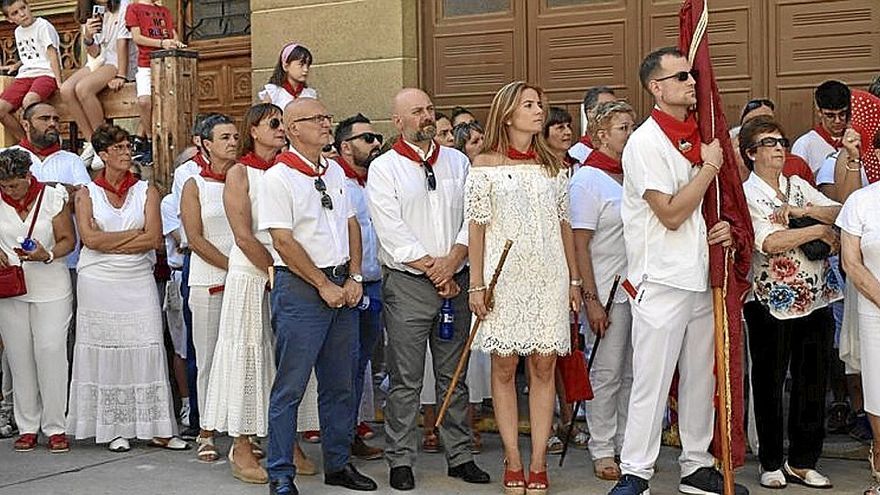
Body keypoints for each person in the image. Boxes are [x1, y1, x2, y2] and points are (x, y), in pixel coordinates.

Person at [608, 47, 746, 495]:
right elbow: (669, 212)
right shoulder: (646, 142)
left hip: (700, 274)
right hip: (659, 278)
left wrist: (724, 226)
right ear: (656, 86)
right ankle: (636, 472)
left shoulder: (699, 134)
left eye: (693, 75)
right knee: (651, 379)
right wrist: (709, 167)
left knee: (699, 379)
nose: (693, 82)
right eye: (682, 76)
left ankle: (695, 464)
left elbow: (707, 209)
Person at [367, 88, 489, 491]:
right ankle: (401, 458)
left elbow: (473, 216)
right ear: (397, 121)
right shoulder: (384, 168)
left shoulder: (456, 161)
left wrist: (454, 260)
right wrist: (435, 270)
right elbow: (391, 229)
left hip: (456, 277)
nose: (426, 117)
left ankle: (460, 455)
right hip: (409, 284)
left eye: (430, 110)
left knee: (455, 373)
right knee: (406, 378)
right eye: (416, 112)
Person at [466, 81, 582, 495]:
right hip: (504, 278)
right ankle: (512, 458)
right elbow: (476, 228)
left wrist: (573, 278)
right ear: (508, 114)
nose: (538, 111)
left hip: (549, 275)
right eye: (528, 105)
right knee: (503, 366)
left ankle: (538, 461)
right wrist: (475, 284)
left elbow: (565, 225)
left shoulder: (555, 165)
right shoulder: (483, 164)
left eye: (540, 104)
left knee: (545, 365)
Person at [260, 98, 377, 495]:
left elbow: (351, 225)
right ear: (293, 129)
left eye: (328, 116)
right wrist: (323, 284)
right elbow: (283, 240)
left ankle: (339, 464)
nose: (327, 124)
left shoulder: (334, 173)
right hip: (302, 288)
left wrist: (355, 275)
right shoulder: (278, 177)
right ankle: (279, 472)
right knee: (290, 385)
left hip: (342, 284)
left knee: (341, 383)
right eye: (317, 119)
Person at [67, 124, 186, 452]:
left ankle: (158, 428)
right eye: (117, 148)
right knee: (106, 349)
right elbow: (88, 240)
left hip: (137, 277)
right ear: (103, 155)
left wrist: (110, 241)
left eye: (126, 146)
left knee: (147, 344)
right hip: (98, 281)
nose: (125, 153)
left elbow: (154, 238)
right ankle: (113, 428)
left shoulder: (147, 190)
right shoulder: (85, 193)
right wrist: (130, 238)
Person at [740, 115, 841, 489]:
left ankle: (803, 460)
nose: (779, 147)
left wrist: (802, 214)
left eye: (781, 140)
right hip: (770, 301)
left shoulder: (797, 185)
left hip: (816, 297)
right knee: (768, 381)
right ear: (751, 153)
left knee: (812, 379)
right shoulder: (747, 194)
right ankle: (770, 460)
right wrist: (817, 231)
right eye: (768, 142)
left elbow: (839, 210)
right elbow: (767, 242)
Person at [200, 103, 284, 484]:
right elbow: (242, 233)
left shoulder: (287, 168)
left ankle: (285, 439)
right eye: (274, 124)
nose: (281, 129)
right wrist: (270, 269)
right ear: (255, 130)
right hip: (252, 270)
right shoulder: (240, 172)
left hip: (287, 267)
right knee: (247, 353)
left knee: (285, 357)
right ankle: (242, 443)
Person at [570, 100, 637, 480]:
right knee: (608, 371)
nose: (630, 134)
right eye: (623, 128)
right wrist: (592, 301)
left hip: (638, 289)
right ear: (600, 135)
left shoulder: (633, 175)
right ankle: (602, 447)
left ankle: (630, 444)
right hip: (606, 291)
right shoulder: (587, 179)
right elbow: (580, 245)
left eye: (631, 126)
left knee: (634, 372)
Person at [0, 148, 74, 453]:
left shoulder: (52, 197)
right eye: (3, 186)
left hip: (51, 283)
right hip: (10, 288)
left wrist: (49, 254)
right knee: (19, 356)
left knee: (51, 351)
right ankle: (27, 425)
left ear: (28, 176)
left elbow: (68, 239)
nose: (8, 190)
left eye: (14, 185)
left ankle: (56, 426)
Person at [180, 114, 237, 463]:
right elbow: (195, 238)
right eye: (224, 137)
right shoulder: (194, 184)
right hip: (209, 279)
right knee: (209, 357)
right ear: (206, 144)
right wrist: (233, 268)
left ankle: (243, 430)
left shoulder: (246, 178)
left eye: (234, 136)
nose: (232, 142)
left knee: (246, 354)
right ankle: (207, 431)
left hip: (245, 280)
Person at [332, 112, 386, 461]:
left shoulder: (379, 179)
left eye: (377, 137)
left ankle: (351, 433)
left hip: (377, 282)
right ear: (346, 146)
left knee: (363, 361)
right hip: (347, 285)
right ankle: (337, 439)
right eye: (368, 139)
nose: (376, 143)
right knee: (343, 365)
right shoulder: (335, 179)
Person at [837, 127, 880, 495]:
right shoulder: (861, 202)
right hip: (873, 307)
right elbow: (851, 262)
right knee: (879, 387)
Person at [62, 0, 135, 170]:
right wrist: (88, 36)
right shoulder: (94, 12)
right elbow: (96, 52)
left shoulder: (124, 5)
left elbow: (122, 43)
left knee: (83, 89)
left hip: (120, 61)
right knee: (66, 89)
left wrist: (121, 75)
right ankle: (92, 143)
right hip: (103, 60)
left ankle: (104, 142)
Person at [124, 0, 185, 164]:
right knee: (145, 101)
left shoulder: (164, 10)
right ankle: (149, 140)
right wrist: (161, 43)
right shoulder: (134, 8)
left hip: (167, 63)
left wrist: (175, 43)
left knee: (165, 103)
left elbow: (172, 33)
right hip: (146, 63)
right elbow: (137, 37)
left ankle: (151, 141)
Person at [0, 0, 62, 141]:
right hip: (25, 75)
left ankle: (46, 140)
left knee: (29, 101)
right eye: (15, 13)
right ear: (10, 19)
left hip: (46, 73)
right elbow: (34, 52)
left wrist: (59, 81)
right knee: (1, 108)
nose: (22, 14)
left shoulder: (43, 26)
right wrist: (16, 65)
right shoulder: (18, 32)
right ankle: (28, 144)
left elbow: (51, 53)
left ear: (28, 6)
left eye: (23, 8)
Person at [731, 98, 815, 185]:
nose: (761, 127)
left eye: (768, 121)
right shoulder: (730, 164)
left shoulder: (797, 165)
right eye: (753, 123)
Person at [791, 80, 851, 174]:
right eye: (830, 116)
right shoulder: (804, 144)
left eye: (842, 114)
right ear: (819, 112)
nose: (837, 121)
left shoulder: (858, 139)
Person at [258, 42, 317, 109]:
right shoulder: (273, 92)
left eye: (308, 65)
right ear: (285, 66)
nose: (306, 69)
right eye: (301, 64)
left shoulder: (310, 94)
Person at [568, 86, 616, 165]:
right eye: (606, 107)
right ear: (590, 113)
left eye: (615, 106)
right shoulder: (576, 154)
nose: (613, 112)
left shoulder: (622, 147)